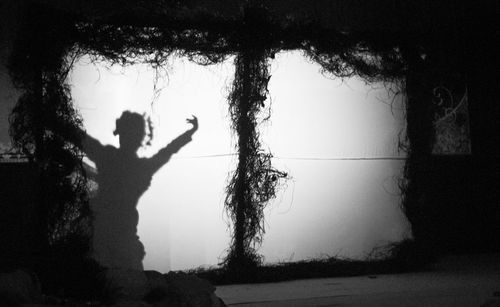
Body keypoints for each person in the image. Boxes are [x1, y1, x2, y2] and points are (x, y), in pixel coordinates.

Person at [81, 111, 198, 270]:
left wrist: (189, 133)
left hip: (111, 236)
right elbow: (168, 151)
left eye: (131, 133)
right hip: (116, 237)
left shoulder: (108, 157)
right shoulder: (139, 167)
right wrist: (189, 133)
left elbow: (78, 137)